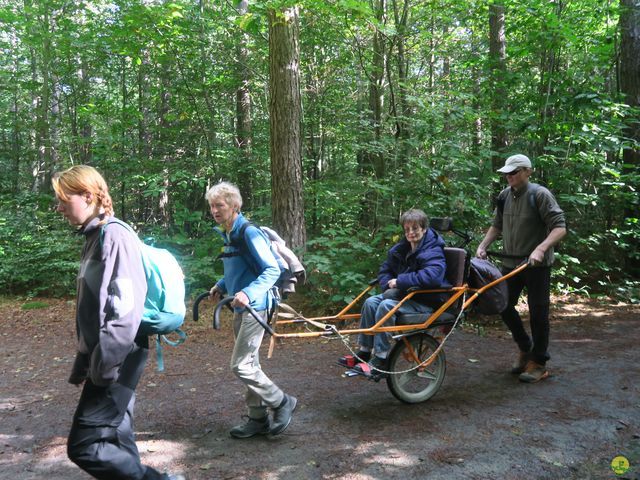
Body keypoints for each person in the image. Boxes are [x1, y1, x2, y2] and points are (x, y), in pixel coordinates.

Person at [52, 165, 183, 480]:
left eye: (63, 199)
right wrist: (84, 360)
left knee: (85, 445)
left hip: (118, 356)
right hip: (110, 356)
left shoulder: (115, 236)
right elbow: (94, 308)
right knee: (115, 437)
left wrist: (104, 366)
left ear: (87, 195)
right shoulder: (94, 237)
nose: (58, 207)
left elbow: (123, 310)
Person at [206, 181, 297, 439]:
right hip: (241, 306)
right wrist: (221, 285)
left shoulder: (248, 232)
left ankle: (281, 402)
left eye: (219, 205)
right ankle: (257, 419)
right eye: (212, 206)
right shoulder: (229, 232)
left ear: (234, 206)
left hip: (257, 306)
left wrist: (248, 293)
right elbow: (241, 268)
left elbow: (272, 269)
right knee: (250, 363)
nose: (214, 210)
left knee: (241, 365)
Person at [476, 154, 566, 383]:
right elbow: (497, 225)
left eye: (514, 172)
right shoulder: (504, 196)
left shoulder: (540, 195)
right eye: (507, 172)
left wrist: (541, 249)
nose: (509, 176)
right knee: (503, 305)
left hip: (537, 265)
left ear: (528, 171)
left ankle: (539, 363)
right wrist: (484, 245)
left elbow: (560, 228)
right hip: (510, 264)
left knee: (538, 313)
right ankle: (525, 348)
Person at [340, 209, 450, 373]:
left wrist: (400, 281)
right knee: (370, 303)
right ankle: (364, 351)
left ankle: (381, 357)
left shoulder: (433, 250)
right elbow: (385, 271)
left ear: (424, 228)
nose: (410, 233)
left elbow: (432, 277)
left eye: (415, 228)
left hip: (425, 300)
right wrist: (388, 285)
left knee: (386, 306)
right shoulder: (401, 249)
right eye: (407, 229)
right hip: (403, 295)